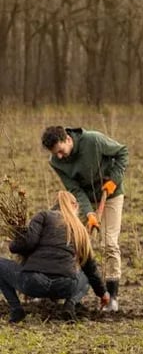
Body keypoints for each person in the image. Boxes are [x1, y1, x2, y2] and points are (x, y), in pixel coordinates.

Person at [42, 125, 127, 313]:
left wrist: (114, 180)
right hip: (84, 199)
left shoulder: (93, 140)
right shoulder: (56, 161)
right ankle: (69, 291)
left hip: (110, 194)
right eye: (56, 154)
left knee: (108, 244)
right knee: (71, 241)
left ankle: (112, 298)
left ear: (68, 140)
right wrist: (89, 213)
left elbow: (122, 152)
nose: (60, 157)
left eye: (61, 151)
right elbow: (75, 190)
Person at [0, 191, 111, 322]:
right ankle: (70, 305)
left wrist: (14, 244)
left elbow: (28, 244)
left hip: (34, 282)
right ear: (75, 206)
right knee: (85, 274)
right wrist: (103, 293)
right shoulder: (80, 229)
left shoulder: (43, 216)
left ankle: (16, 310)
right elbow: (90, 268)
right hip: (65, 286)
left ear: (54, 204)